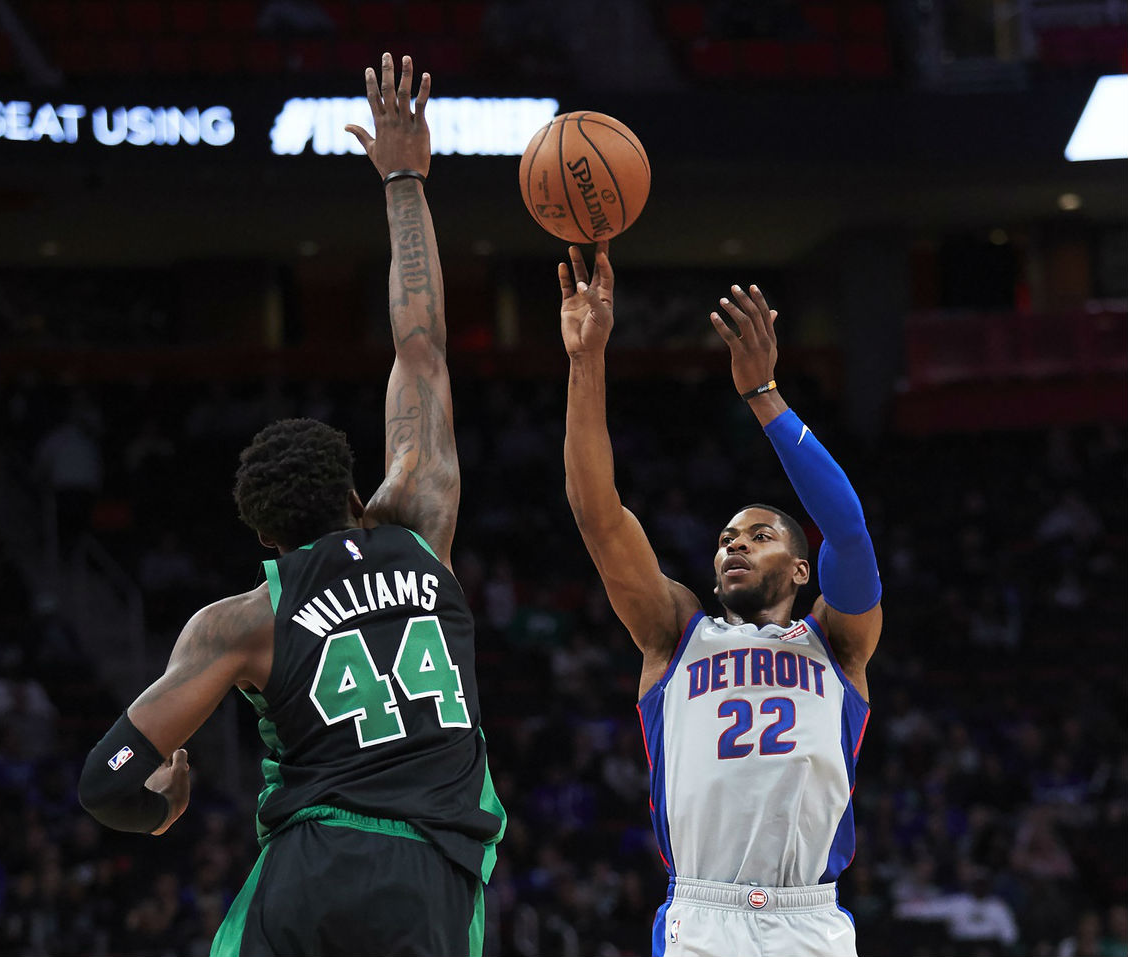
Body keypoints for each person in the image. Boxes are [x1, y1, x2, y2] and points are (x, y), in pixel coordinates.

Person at [77, 53, 505, 957]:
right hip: (428, 869)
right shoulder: (418, 528)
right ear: (356, 495)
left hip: (306, 869)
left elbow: (107, 781)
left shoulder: (242, 619)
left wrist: (163, 803)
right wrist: (402, 179)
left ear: (265, 537)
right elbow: (421, 344)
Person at [558, 243, 882, 957]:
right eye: (726, 537)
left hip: (811, 919)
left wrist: (764, 396)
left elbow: (850, 533)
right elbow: (598, 514)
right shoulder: (672, 634)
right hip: (702, 918)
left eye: (758, 535)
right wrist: (586, 361)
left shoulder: (837, 640)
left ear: (800, 568)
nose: (733, 544)